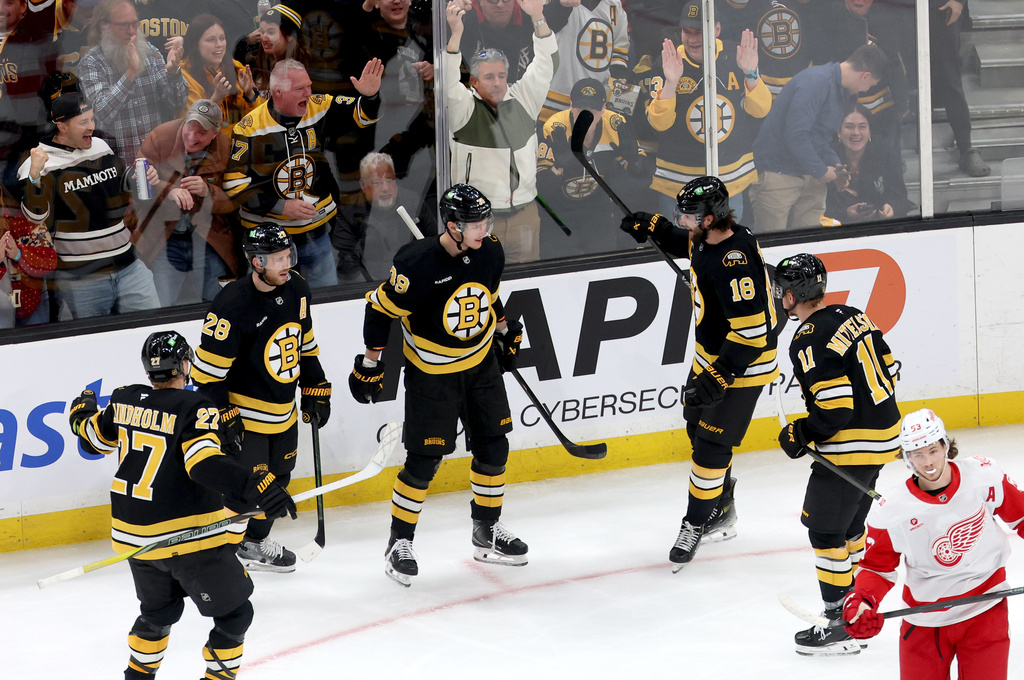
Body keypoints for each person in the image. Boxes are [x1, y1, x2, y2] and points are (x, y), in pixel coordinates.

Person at [67, 330, 296, 680]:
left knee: (157, 615)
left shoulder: (125, 399)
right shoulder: (196, 406)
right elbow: (202, 465)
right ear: (185, 364)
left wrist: (80, 412)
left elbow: (93, 436)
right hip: (185, 539)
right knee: (236, 615)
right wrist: (257, 485)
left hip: (133, 541)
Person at [349, 183, 527, 587]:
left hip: (480, 366)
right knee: (424, 461)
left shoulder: (490, 251)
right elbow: (379, 308)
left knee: (494, 447)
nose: (484, 229)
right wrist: (370, 363)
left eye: (486, 221)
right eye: (475, 223)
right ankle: (399, 542)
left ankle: (487, 530)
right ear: (452, 225)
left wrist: (502, 330)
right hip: (433, 374)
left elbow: (489, 295)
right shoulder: (415, 264)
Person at [619, 175, 779, 570]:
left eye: (689, 216)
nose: (684, 221)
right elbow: (685, 242)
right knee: (696, 428)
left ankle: (695, 522)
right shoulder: (708, 238)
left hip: (743, 365)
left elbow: (753, 332)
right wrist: (653, 225)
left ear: (711, 218)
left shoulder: (735, 260)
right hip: (711, 357)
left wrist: (722, 375)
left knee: (710, 447)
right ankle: (721, 505)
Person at [772, 252, 901, 656]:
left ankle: (840, 624)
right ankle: (857, 607)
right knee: (849, 529)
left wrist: (800, 432)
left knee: (826, 532)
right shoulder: (853, 314)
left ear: (794, 295)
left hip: (851, 446)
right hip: (884, 438)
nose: (779, 295)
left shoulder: (808, 337)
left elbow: (835, 408)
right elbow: (891, 368)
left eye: (782, 290)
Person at [842, 408, 1024, 678]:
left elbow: (1020, 515)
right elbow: (876, 568)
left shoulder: (983, 475)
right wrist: (863, 602)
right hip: (924, 619)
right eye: (918, 454)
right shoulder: (892, 510)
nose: (928, 462)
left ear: (946, 446)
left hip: (986, 605)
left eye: (933, 450)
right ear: (907, 458)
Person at [191, 224, 331, 573]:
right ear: (256, 262)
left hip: (283, 411)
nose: (287, 263)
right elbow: (207, 374)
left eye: (288, 255)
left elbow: (305, 344)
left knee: (280, 479)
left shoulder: (297, 287)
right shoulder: (231, 304)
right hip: (245, 416)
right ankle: (221, 558)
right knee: (247, 489)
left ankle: (252, 543)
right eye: (278, 258)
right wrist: (223, 413)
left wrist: (316, 385)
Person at [223, 58, 383, 289]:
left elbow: (363, 116)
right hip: (270, 241)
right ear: (278, 92)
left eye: (309, 86)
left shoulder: (319, 105)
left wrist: (370, 97)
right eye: (300, 89)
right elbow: (234, 186)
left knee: (325, 301)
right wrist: (282, 207)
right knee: (272, 305)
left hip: (316, 234)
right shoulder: (249, 128)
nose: (308, 93)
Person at [18, 74, 161, 319]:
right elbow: (35, 216)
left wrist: (142, 179)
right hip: (82, 278)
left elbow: (121, 186)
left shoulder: (100, 146)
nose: (92, 126)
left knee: (154, 327)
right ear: (62, 126)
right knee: (93, 346)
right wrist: (34, 175)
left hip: (128, 266)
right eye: (83, 121)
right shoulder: (38, 162)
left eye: (92, 119)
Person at [445, 0, 556, 263]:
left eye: (501, 76)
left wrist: (538, 17)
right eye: (488, 77)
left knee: (526, 286)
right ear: (473, 81)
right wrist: (455, 33)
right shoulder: (463, 107)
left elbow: (547, 63)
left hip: (525, 215)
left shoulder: (524, 98)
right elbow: (447, 79)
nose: (497, 83)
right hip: (477, 221)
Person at [646, 2, 771, 219]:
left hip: (728, 178)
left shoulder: (738, 56)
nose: (693, 39)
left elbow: (760, 110)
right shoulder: (666, 63)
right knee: (681, 248)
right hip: (679, 180)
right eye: (687, 31)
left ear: (717, 29)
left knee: (724, 245)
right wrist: (671, 82)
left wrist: (750, 73)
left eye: (700, 31)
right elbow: (659, 123)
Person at [750, 44, 888, 231]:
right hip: (780, 173)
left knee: (808, 241)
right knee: (772, 244)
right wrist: (822, 171)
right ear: (865, 76)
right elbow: (796, 135)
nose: (865, 91)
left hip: (811, 175)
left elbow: (820, 138)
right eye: (869, 85)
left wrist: (836, 167)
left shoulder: (842, 91)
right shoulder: (816, 82)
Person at [136, 98, 238, 306]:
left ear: (215, 133)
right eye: (189, 128)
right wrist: (168, 190)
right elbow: (138, 188)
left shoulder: (227, 146)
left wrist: (208, 191)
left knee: (219, 306)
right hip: (165, 239)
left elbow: (236, 200)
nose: (192, 137)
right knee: (160, 308)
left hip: (208, 238)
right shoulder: (159, 137)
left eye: (201, 133)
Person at [536, 76, 653, 257]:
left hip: (597, 213)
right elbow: (541, 189)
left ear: (604, 107)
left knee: (603, 264)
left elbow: (642, 181)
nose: (587, 115)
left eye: (593, 109)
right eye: (581, 108)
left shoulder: (616, 125)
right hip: (560, 214)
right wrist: (558, 167)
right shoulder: (554, 128)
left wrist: (635, 161)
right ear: (571, 104)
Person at [76, 0, 188, 162]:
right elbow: (101, 113)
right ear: (103, 26)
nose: (131, 31)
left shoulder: (150, 53)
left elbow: (177, 102)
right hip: (118, 165)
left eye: (134, 24)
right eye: (124, 25)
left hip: (159, 161)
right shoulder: (91, 63)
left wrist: (173, 72)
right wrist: (130, 74)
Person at [333, 151, 436, 283]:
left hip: (414, 280)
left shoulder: (413, 203)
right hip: (371, 285)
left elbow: (434, 242)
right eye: (377, 182)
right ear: (363, 185)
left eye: (390, 180)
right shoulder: (349, 213)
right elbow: (346, 261)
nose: (386, 188)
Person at [540, 0, 629, 123]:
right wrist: (559, 6)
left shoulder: (614, 5)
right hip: (551, 103)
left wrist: (617, 77)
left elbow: (619, 50)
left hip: (594, 107)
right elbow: (538, 29)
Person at [825, 102, 914, 223]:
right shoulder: (827, 158)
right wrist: (845, 213)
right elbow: (819, 207)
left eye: (862, 127)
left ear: (870, 131)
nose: (856, 132)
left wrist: (891, 207)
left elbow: (899, 196)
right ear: (839, 132)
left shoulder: (885, 154)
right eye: (849, 126)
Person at [180, 13, 260, 131]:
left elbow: (258, 118)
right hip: (210, 147)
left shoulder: (237, 68)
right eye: (211, 40)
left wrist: (250, 96)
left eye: (222, 38)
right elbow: (192, 127)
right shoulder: (184, 76)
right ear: (196, 45)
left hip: (241, 142)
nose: (219, 45)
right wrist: (217, 97)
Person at [0, 210, 57, 326]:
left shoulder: (29, 219)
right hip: (2, 311)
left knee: (40, 341)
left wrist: (19, 254)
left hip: (33, 301)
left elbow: (50, 261)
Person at [243, 4, 312, 100]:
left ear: (290, 36)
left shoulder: (307, 68)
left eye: (271, 32)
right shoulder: (255, 61)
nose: (263, 38)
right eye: (262, 32)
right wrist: (246, 41)